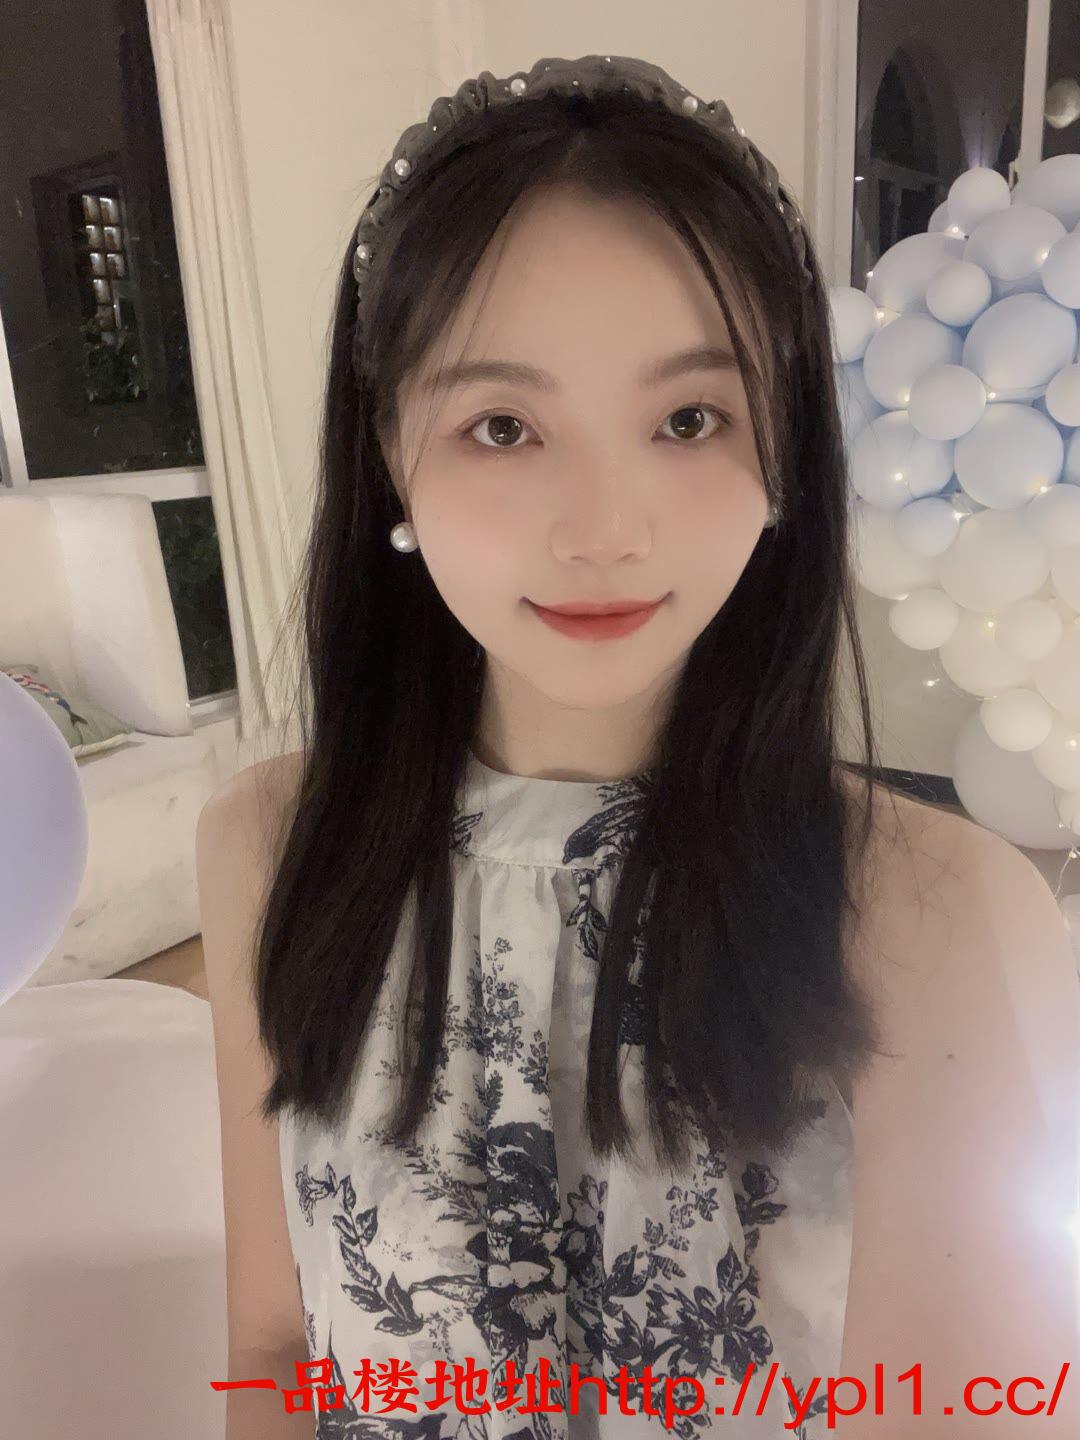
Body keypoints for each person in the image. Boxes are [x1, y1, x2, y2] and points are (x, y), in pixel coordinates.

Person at [196, 56, 1079, 1440]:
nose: (604, 527)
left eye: (687, 419)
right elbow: (274, 1346)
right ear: (388, 456)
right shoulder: (268, 844)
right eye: (503, 426)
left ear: (782, 449)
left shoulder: (934, 911)